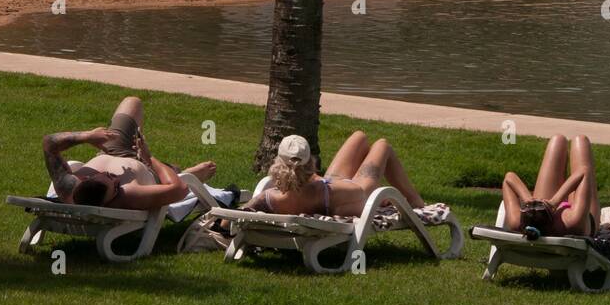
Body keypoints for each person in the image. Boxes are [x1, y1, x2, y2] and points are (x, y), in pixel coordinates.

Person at [41, 95, 218, 211]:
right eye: (116, 186)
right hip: (145, 169)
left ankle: (177, 170)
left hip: (111, 149)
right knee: (175, 175)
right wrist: (149, 158)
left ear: (85, 180)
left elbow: (49, 143)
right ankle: (188, 173)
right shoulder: (129, 196)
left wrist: (88, 136)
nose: (116, 179)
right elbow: (178, 189)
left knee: (132, 102)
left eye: (107, 176)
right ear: (111, 199)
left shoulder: (68, 187)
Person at [243, 130, 427, 219]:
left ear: (278, 163)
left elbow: (233, 218)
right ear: (309, 161)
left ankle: (415, 201)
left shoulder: (268, 198)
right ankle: (416, 202)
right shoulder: (326, 192)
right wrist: (380, 197)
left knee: (359, 137)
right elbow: (360, 197)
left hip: (327, 184)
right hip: (353, 188)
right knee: (382, 145)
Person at [502, 134, 600, 239]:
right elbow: (584, 171)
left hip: (551, 221)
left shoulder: (517, 222)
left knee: (557, 140)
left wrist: (528, 200)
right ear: (552, 218)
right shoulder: (572, 222)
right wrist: (554, 202)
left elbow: (509, 178)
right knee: (581, 140)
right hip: (580, 215)